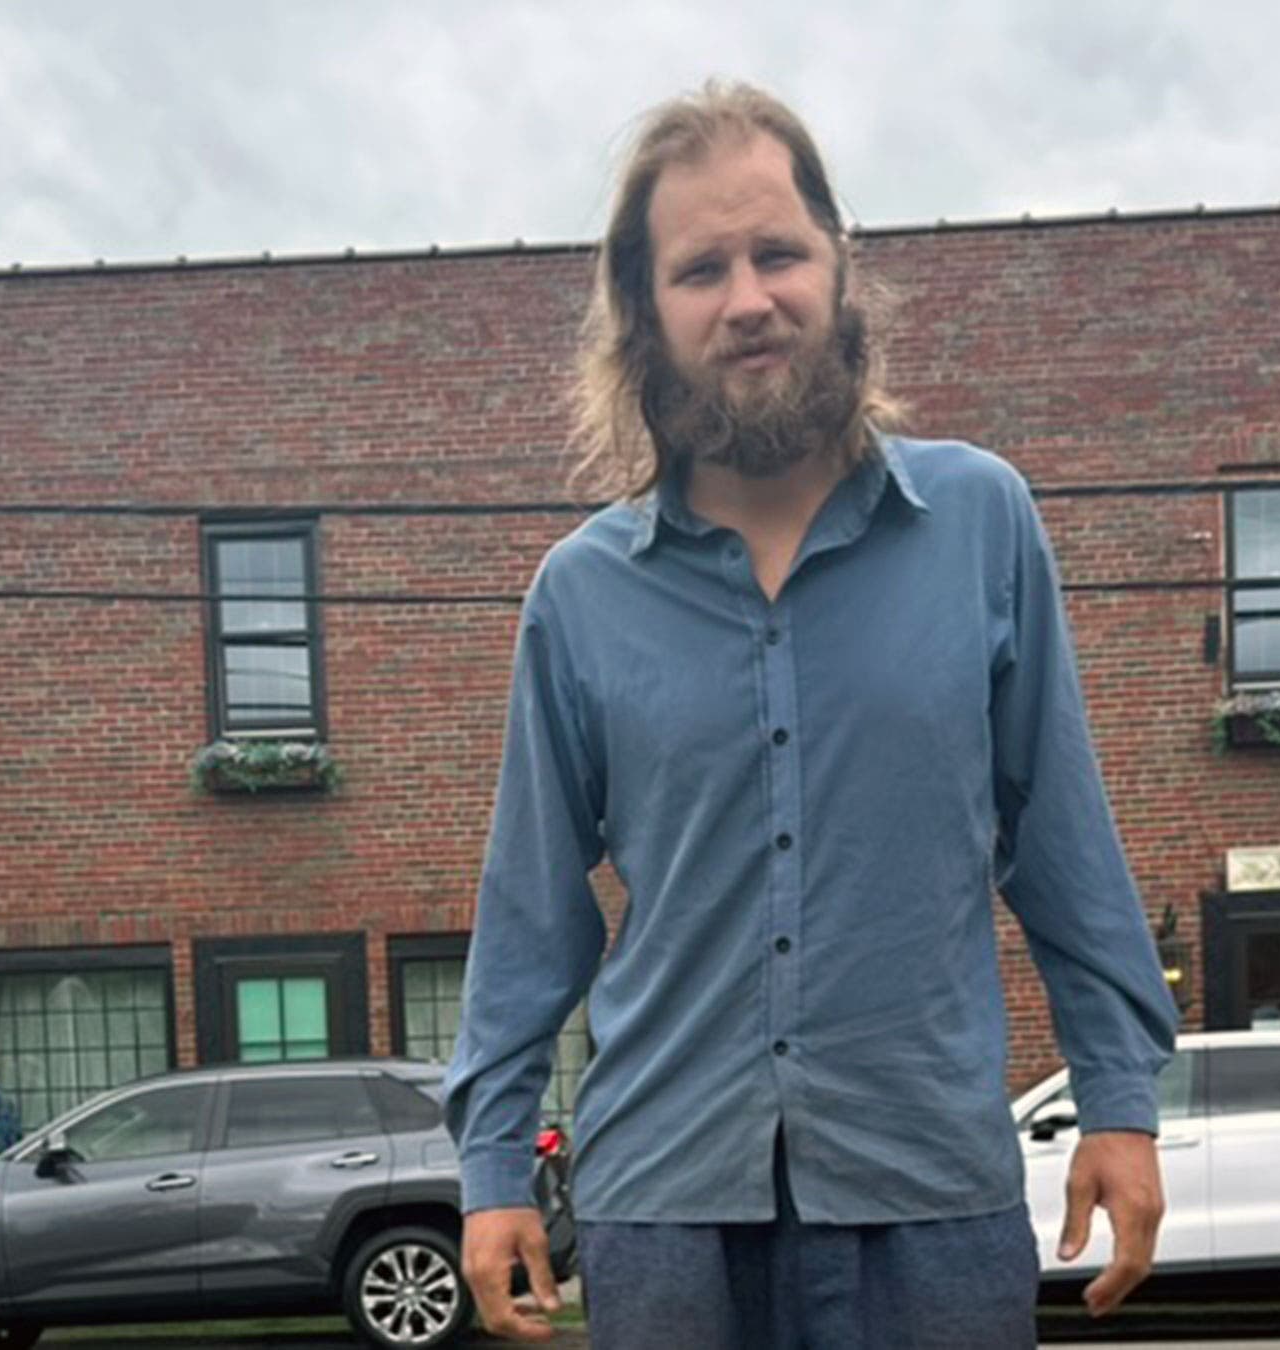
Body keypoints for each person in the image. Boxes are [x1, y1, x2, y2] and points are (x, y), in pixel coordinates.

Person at [443, 80, 1178, 1348]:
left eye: (777, 252)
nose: (748, 299)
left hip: (929, 1198)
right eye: (700, 270)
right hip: (666, 1212)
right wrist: (494, 1159)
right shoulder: (580, 596)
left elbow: (1061, 840)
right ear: (645, 314)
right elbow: (530, 907)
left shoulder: (983, 527)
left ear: (840, 266)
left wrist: (1117, 1095)